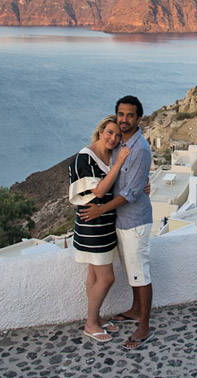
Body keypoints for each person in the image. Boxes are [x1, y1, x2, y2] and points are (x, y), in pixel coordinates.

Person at [81, 95, 154, 350]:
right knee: (132, 270)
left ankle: (143, 326)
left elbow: (130, 194)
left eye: (130, 115)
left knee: (141, 273)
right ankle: (135, 310)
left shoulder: (140, 149)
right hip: (121, 222)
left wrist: (100, 210)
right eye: (121, 114)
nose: (124, 119)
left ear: (139, 118)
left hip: (135, 222)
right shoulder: (120, 144)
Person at [69, 115, 130, 343]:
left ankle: (96, 317)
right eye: (110, 132)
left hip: (104, 223)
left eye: (117, 135)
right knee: (107, 278)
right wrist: (119, 162)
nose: (113, 138)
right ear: (100, 131)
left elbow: (118, 185)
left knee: (94, 275)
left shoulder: (109, 155)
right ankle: (91, 322)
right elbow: (101, 191)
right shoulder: (85, 158)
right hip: (92, 226)